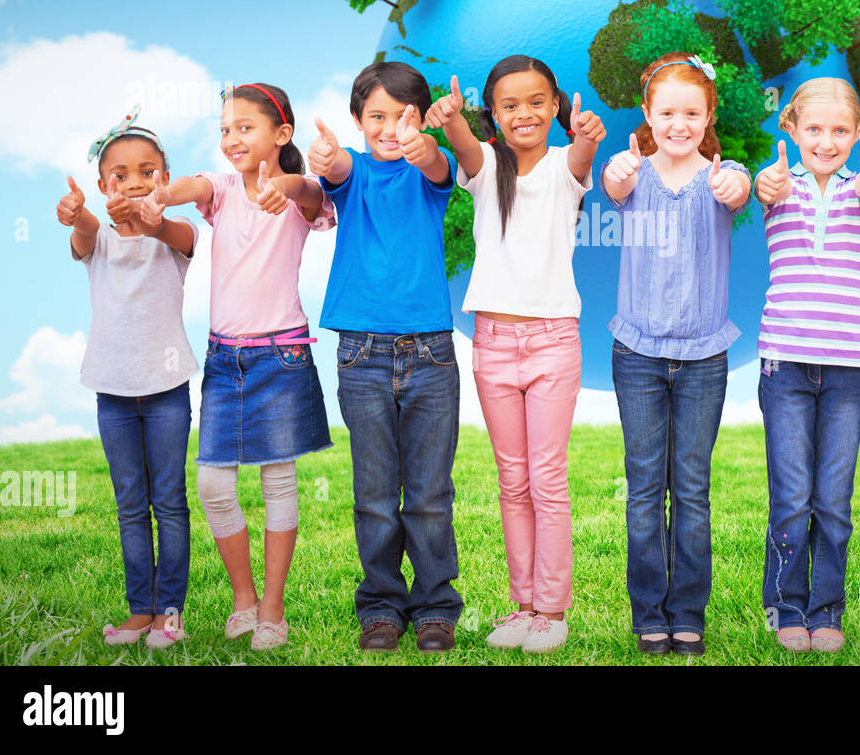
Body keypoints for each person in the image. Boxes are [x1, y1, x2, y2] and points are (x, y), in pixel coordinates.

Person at [427, 57, 604, 654]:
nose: (524, 114)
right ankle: (523, 605)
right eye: (509, 105)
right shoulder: (486, 167)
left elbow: (582, 157)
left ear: (554, 106)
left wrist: (585, 137)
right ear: (493, 114)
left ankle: (553, 610)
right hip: (494, 345)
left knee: (547, 479)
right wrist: (450, 119)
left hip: (554, 340)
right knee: (513, 480)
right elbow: (464, 148)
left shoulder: (564, 166)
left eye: (536, 102)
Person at [152, 82, 335, 650]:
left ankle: (273, 608)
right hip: (224, 358)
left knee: (278, 480)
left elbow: (308, 192)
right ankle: (243, 598)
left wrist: (284, 186)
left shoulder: (302, 195)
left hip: (282, 355)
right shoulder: (224, 189)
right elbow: (192, 185)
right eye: (224, 129)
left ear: (281, 134)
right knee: (212, 484)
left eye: (245, 128)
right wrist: (164, 193)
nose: (232, 139)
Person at [307, 61, 463, 654]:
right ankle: (380, 606)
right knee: (374, 493)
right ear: (356, 121)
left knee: (428, 494)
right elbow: (338, 167)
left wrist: (424, 141)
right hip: (361, 354)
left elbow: (435, 162)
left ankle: (435, 607)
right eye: (376, 116)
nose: (391, 128)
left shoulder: (429, 172)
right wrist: (327, 159)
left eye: (403, 116)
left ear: (421, 118)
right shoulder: (354, 174)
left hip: (431, 353)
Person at [601, 52, 751, 656]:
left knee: (691, 487)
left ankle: (687, 612)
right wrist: (617, 168)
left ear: (708, 114)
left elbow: (738, 193)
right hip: (636, 351)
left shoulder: (723, 174)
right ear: (648, 114)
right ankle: (648, 614)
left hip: (702, 357)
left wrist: (733, 182)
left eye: (692, 113)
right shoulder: (632, 173)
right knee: (644, 488)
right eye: (668, 113)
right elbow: (612, 185)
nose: (679, 124)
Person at [753, 77, 860, 653]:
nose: (826, 141)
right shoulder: (778, 185)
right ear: (792, 130)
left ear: (857, 135)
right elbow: (763, 188)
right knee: (792, 495)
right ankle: (785, 607)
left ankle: (826, 610)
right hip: (784, 365)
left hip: (849, 368)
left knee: (833, 499)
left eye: (840, 131)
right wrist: (768, 180)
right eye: (814, 129)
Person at [61, 110, 197, 649]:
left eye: (148, 171)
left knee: (169, 502)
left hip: (168, 394)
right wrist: (78, 214)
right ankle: (140, 611)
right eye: (120, 174)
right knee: (129, 505)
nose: (135, 181)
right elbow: (88, 230)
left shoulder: (175, 236)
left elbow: (169, 228)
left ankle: (170, 613)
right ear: (101, 185)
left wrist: (149, 215)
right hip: (113, 395)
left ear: (165, 177)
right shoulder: (96, 241)